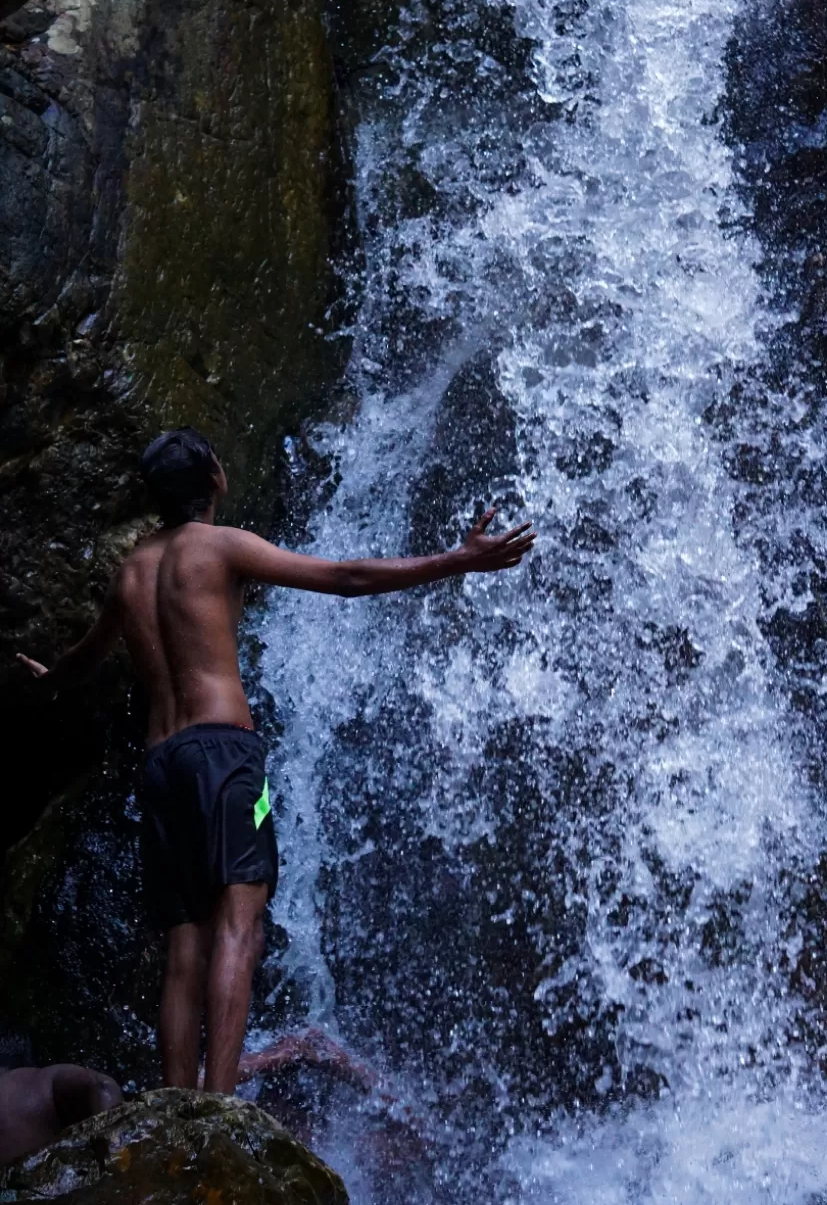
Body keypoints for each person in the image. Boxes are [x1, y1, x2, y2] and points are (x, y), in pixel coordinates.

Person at [16, 427, 536, 1096]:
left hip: (162, 764)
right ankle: (217, 1106)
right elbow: (344, 578)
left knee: (183, 942)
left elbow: (79, 664)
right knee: (241, 918)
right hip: (223, 754)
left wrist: (46, 678)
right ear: (214, 476)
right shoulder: (221, 546)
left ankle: (174, 1106)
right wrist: (455, 561)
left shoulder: (132, 572)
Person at [0, 1029, 123, 1166]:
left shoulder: (34, 1085)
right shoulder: (40, 1083)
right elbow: (103, 1088)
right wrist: (116, 1150)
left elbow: (102, 1088)